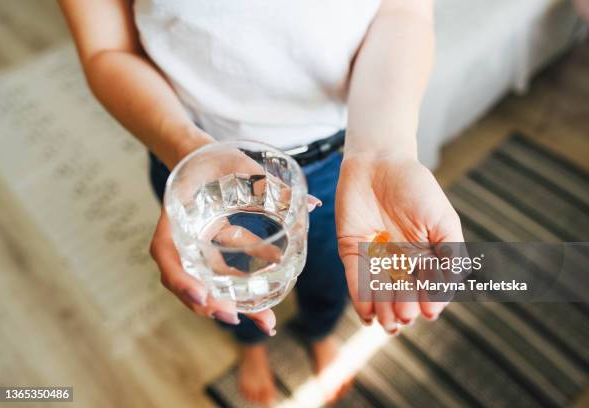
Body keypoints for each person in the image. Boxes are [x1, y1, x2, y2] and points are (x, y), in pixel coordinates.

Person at [59, 0, 464, 404]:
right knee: (231, 284)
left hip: (338, 158)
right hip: (195, 159)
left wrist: (382, 151)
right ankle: (250, 346)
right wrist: (185, 148)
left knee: (329, 274)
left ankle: (320, 334)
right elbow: (107, 50)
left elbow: (403, 12)